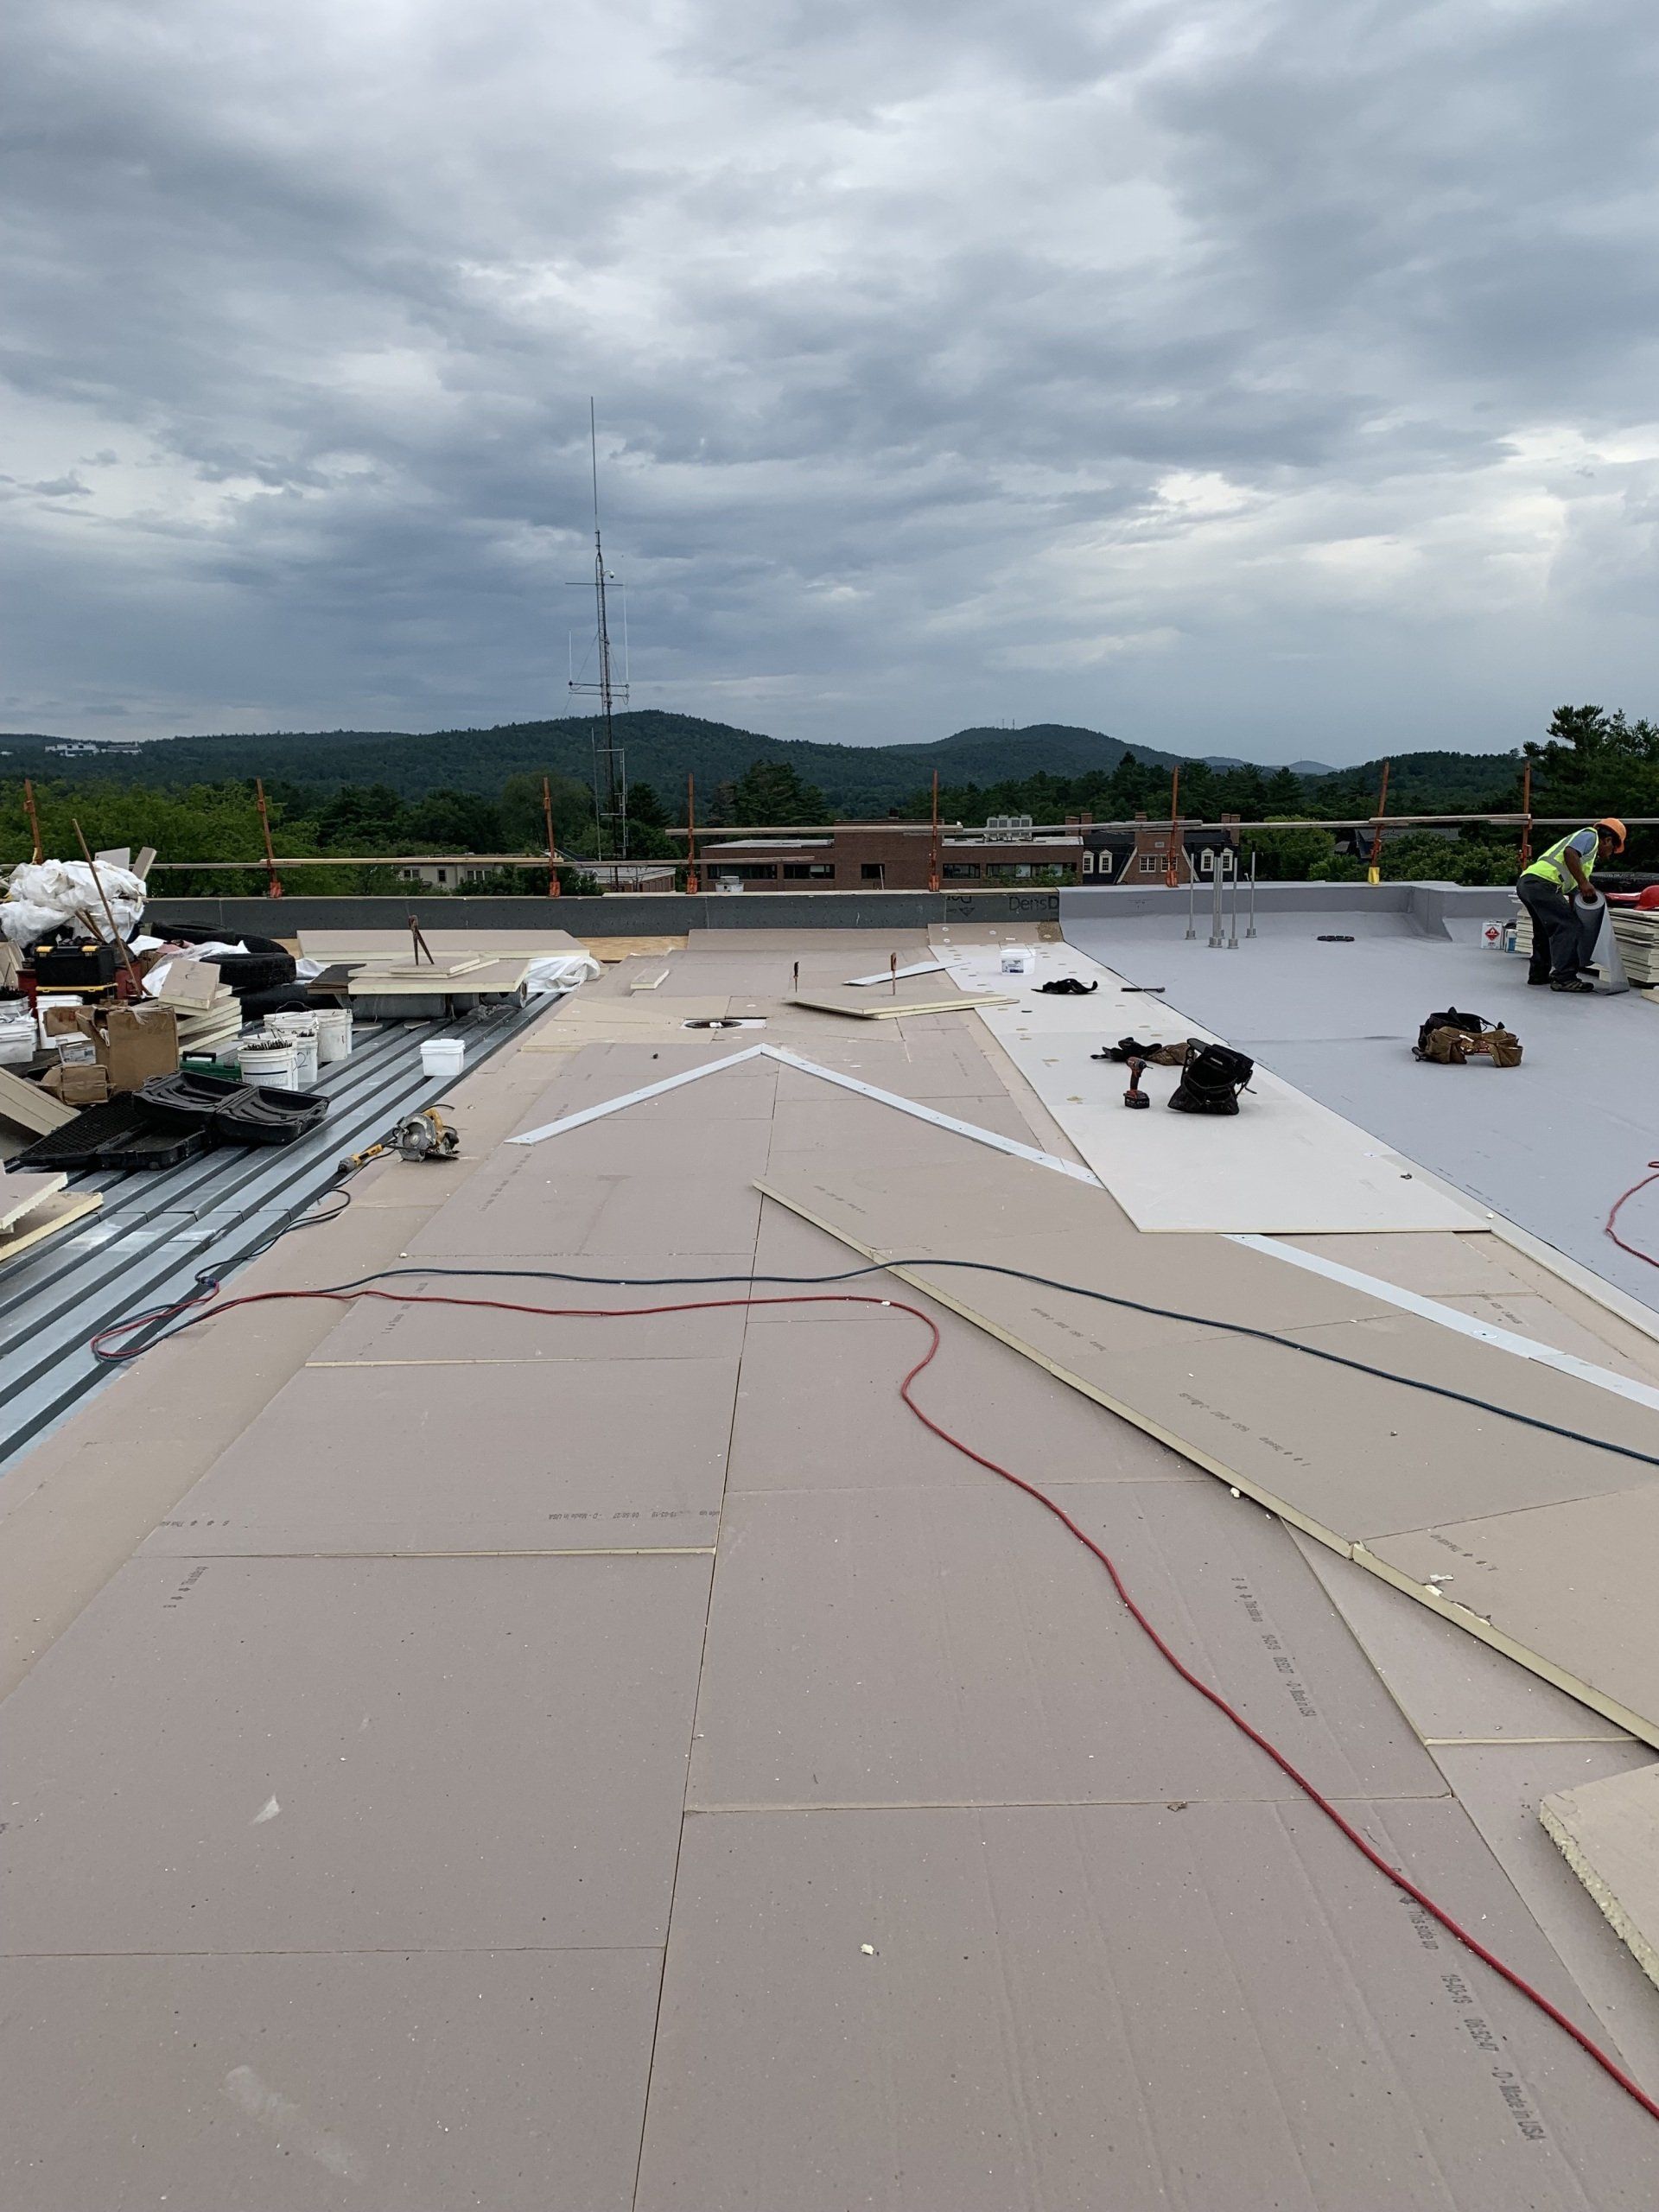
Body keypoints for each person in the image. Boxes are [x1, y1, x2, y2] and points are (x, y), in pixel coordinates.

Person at [1517, 817, 1626, 991]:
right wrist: (1584, 883)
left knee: (1544, 930)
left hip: (1529, 883)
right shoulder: (1590, 836)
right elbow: (1569, 853)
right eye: (1612, 849)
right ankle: (1565, 978)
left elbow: (1575, 890)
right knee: (1567, 926)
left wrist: (1583, 893)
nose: (1610, 853)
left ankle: (1538, 975)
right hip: (1543, 884)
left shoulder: (1586, 859)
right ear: (1607, 840)